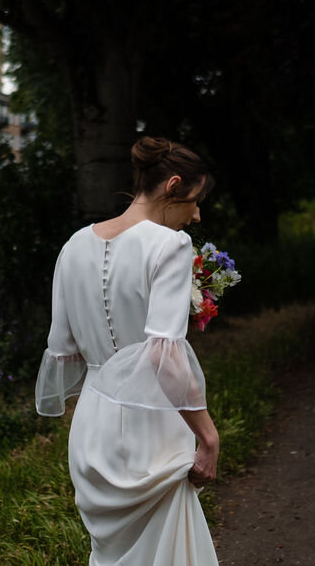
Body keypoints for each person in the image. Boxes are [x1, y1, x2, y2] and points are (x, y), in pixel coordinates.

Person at [35, 136, 220, 565]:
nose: (196, 215)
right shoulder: (169, 246)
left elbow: (64, 349)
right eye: (196, 200)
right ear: (173, 185)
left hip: (92, 430)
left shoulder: (73, 246)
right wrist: (208, 437)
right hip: (149, 426)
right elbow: (162, 354)